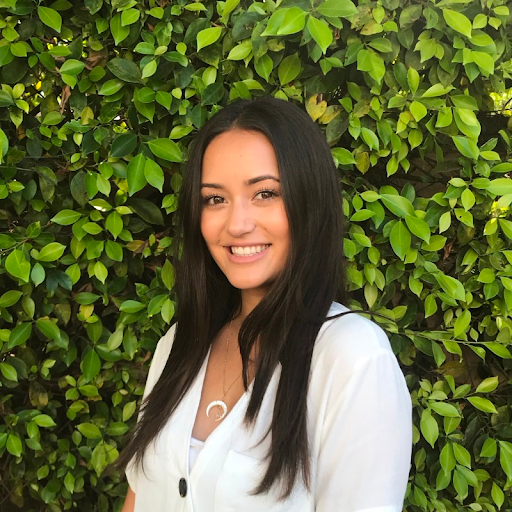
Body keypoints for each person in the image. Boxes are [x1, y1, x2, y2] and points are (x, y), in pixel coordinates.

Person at [115, 97, 412, 512]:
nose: (237, 224)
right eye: (215, 199)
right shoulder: (178, 344)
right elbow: (139, 497)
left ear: (309, 201)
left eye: (265, 193)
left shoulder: (352, 359)